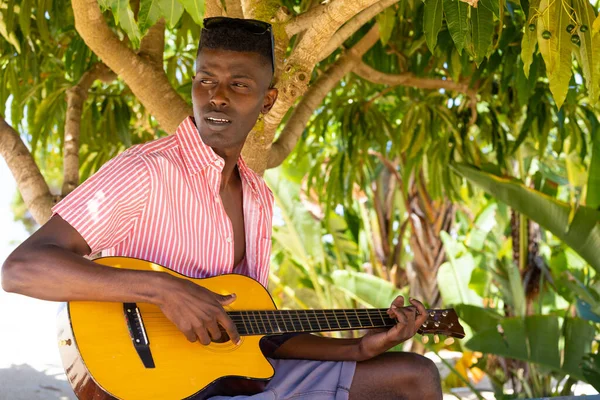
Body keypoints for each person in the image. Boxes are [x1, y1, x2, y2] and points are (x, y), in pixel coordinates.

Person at [1, 17, 442, 400]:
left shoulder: (258, 198)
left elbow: (254, 333)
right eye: (205, 79)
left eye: (239, 85)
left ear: (267, 101)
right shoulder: (146, 170)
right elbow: (21, 269)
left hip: (226, 380)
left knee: (413, 377)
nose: (217, 96)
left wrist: (358, 348)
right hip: (151, 388)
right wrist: (162, 291)